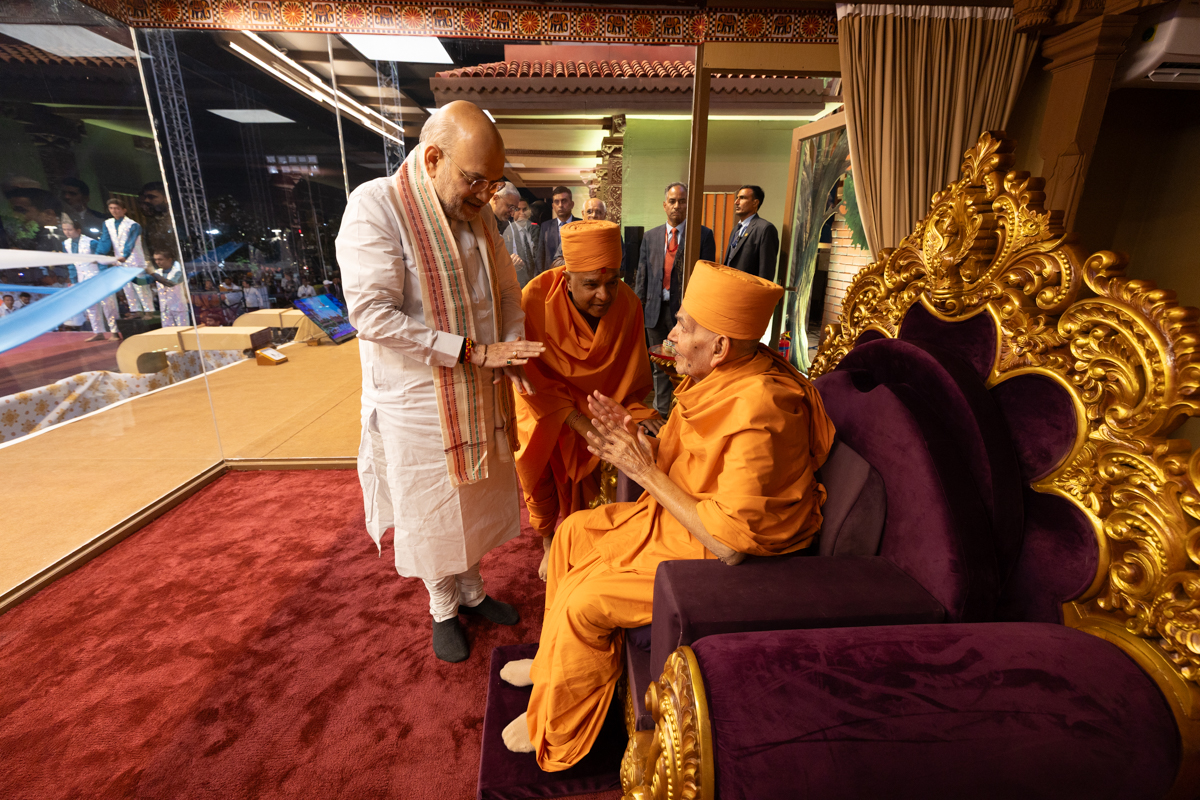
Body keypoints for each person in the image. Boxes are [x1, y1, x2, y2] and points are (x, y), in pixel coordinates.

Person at [499, 261, 836, 770]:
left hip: (716, 554)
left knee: (585, 601)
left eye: (683, 326)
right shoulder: (722, 377)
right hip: (684, 518)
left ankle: (558, 724)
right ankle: (553, 663)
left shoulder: (761, 408)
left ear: (719, 347)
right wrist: (639, 440)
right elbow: (691, 465)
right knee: (571, 533)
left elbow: (730, 543)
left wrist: (644, 471)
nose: (671, 336)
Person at [336, 100, 547, 663]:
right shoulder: (377, 205)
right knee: (432, 508)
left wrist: (511, 347)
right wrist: (474, 351)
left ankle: (473, 592)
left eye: (493, 183)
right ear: (432, 158)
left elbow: (507, 291)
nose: (485, 195)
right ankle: (442, 607)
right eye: (476, 180)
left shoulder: (477, 215)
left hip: (476, 387)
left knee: (472, 501)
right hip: (417, 401)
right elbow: (372, 315)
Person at [514, 219, 660, 583]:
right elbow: (530, 375)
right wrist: (577, 421)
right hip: (542, 401)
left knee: (607, 460)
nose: (604, 295)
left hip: (602, 403)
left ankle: (585, 530)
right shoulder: (534, 299)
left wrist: (637, 413)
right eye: (591, 285)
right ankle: (549, 539)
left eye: (612, 282)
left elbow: (630, 375)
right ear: (567, 278)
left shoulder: (628, 303)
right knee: (539, 462)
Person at [633, 182, 716, 418]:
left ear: (688, 205)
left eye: (682, 201)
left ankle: (684, 413)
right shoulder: (650, 237)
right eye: (672, 201)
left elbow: (707, 276)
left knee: (687, 363)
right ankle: (661, 414)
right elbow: (642, 275)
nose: (677, 206)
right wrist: (639, 308)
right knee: (659, 365)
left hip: (687, 315)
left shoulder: (703, 235)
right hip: (655, 312)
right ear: (664, 205)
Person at [62, 218, 119, 341]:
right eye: (64, 229)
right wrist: (74, 281)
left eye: (70, 229)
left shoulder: (91, 242)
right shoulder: (66, 244)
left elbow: (101, 259)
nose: (67, 232)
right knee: (91, 307)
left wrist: (104, 277)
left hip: (98, 277)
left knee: (108, 305)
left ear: (78, 230)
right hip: (82, 279)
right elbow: (71, 264)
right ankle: (98, 332)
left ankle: (114, 332)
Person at [96, 197, 154, 317]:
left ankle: (149, 310)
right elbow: (105, 240)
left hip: (135, 259)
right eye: (111, 208)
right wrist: (99, 254)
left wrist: (125, 255)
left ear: (124, 210)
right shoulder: (107, 223)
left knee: (140, 286)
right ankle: (135, 310)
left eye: (117, 208)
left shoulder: (133, 225)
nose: (114, 211)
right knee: (127, 287)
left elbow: (130, 242)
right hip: (120, 260)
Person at [723, 184, 780, 281]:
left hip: (748, 288)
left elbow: (766, 271)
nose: (736, 202)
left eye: (742, 198)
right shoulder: (736, 229)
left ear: (755, 203)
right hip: (730, 285)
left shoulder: (765, 229)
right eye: (737, 198)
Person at [536, 186, 579, 276]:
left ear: (572, 204)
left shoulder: (580, 225)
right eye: (556, 202)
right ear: (553, 206)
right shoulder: (546, 226)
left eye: (564, 201)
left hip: (575, 275)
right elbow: (540, 258)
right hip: (552, 277)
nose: (560, 205)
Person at [150, 250, 190, 327]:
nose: (157, 262)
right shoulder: (157, 272)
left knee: (182, 330)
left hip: (179, 308)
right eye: (156, 260)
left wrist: (153, 274)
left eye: (160, 259)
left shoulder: (178, 273)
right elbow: (143, 281)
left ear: (169, 260)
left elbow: (171, 283)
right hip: (165, 309)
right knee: (167, 332)